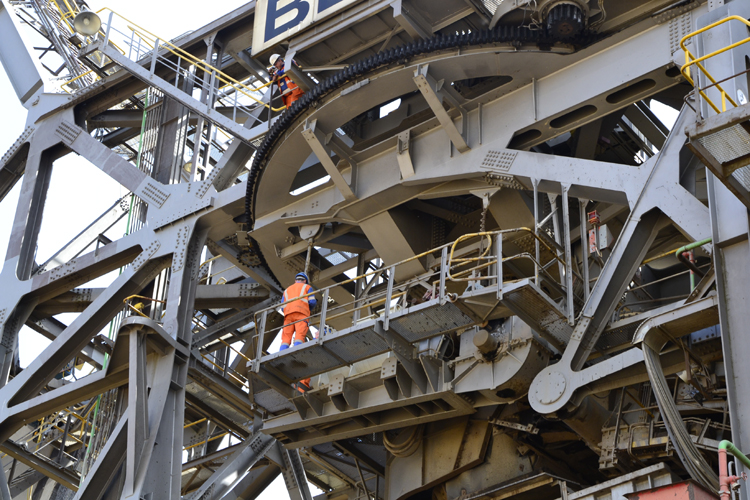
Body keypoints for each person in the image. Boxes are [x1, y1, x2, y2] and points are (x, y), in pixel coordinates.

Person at [281, 272, 316, 392]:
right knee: (300, 335)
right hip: (302, 313)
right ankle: (297, 350)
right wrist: (307, 309)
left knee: (286, 336)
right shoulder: (307, 287)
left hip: (288, 315)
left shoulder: (287, 290)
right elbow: (312, 302)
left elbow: (282, 306)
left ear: (296, 280)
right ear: (305, 280)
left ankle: (283, 353)